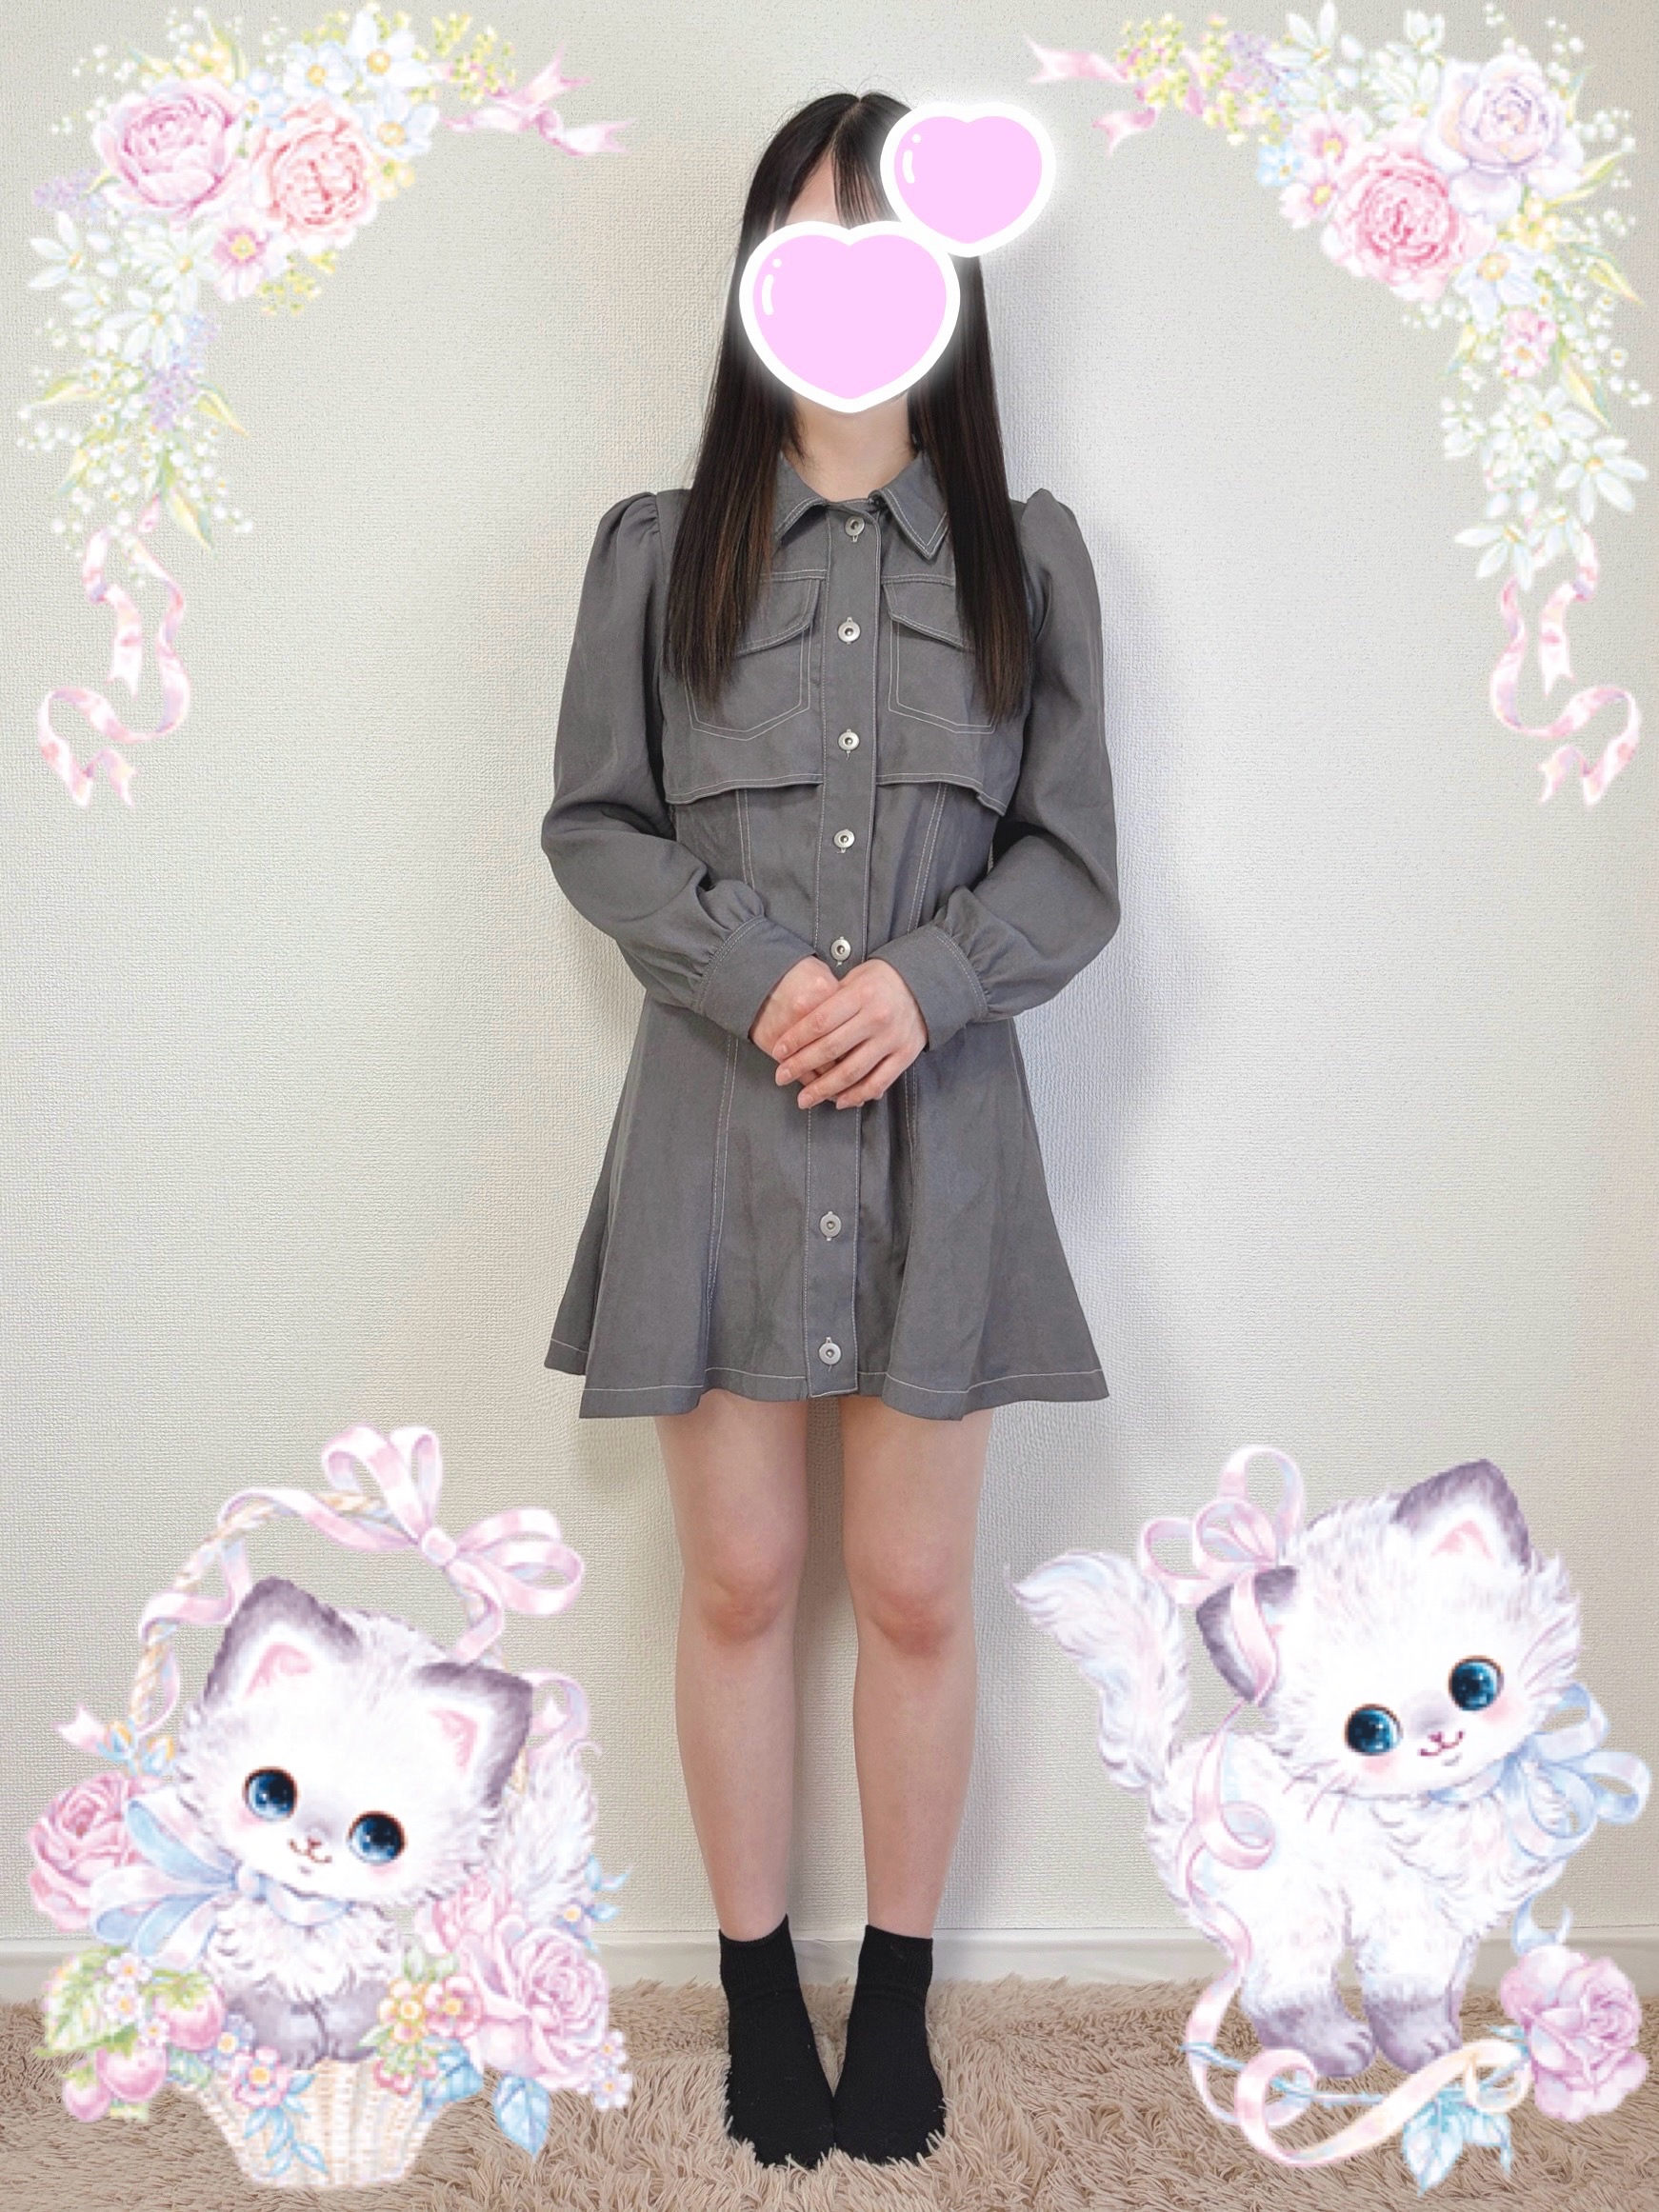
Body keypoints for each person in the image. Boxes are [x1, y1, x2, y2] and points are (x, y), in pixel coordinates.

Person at [539, 90, 1120, 2169]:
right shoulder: (657, 549)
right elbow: (595, 825)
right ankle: (747, 1997)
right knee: (738, 1579)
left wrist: (927, 981)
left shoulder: (1025, 562)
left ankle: (891, 2003)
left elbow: (1070, 866)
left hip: (942, 1138)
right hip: (717, 1129)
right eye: (805, 237)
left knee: (912, 1589)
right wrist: (750, 968)